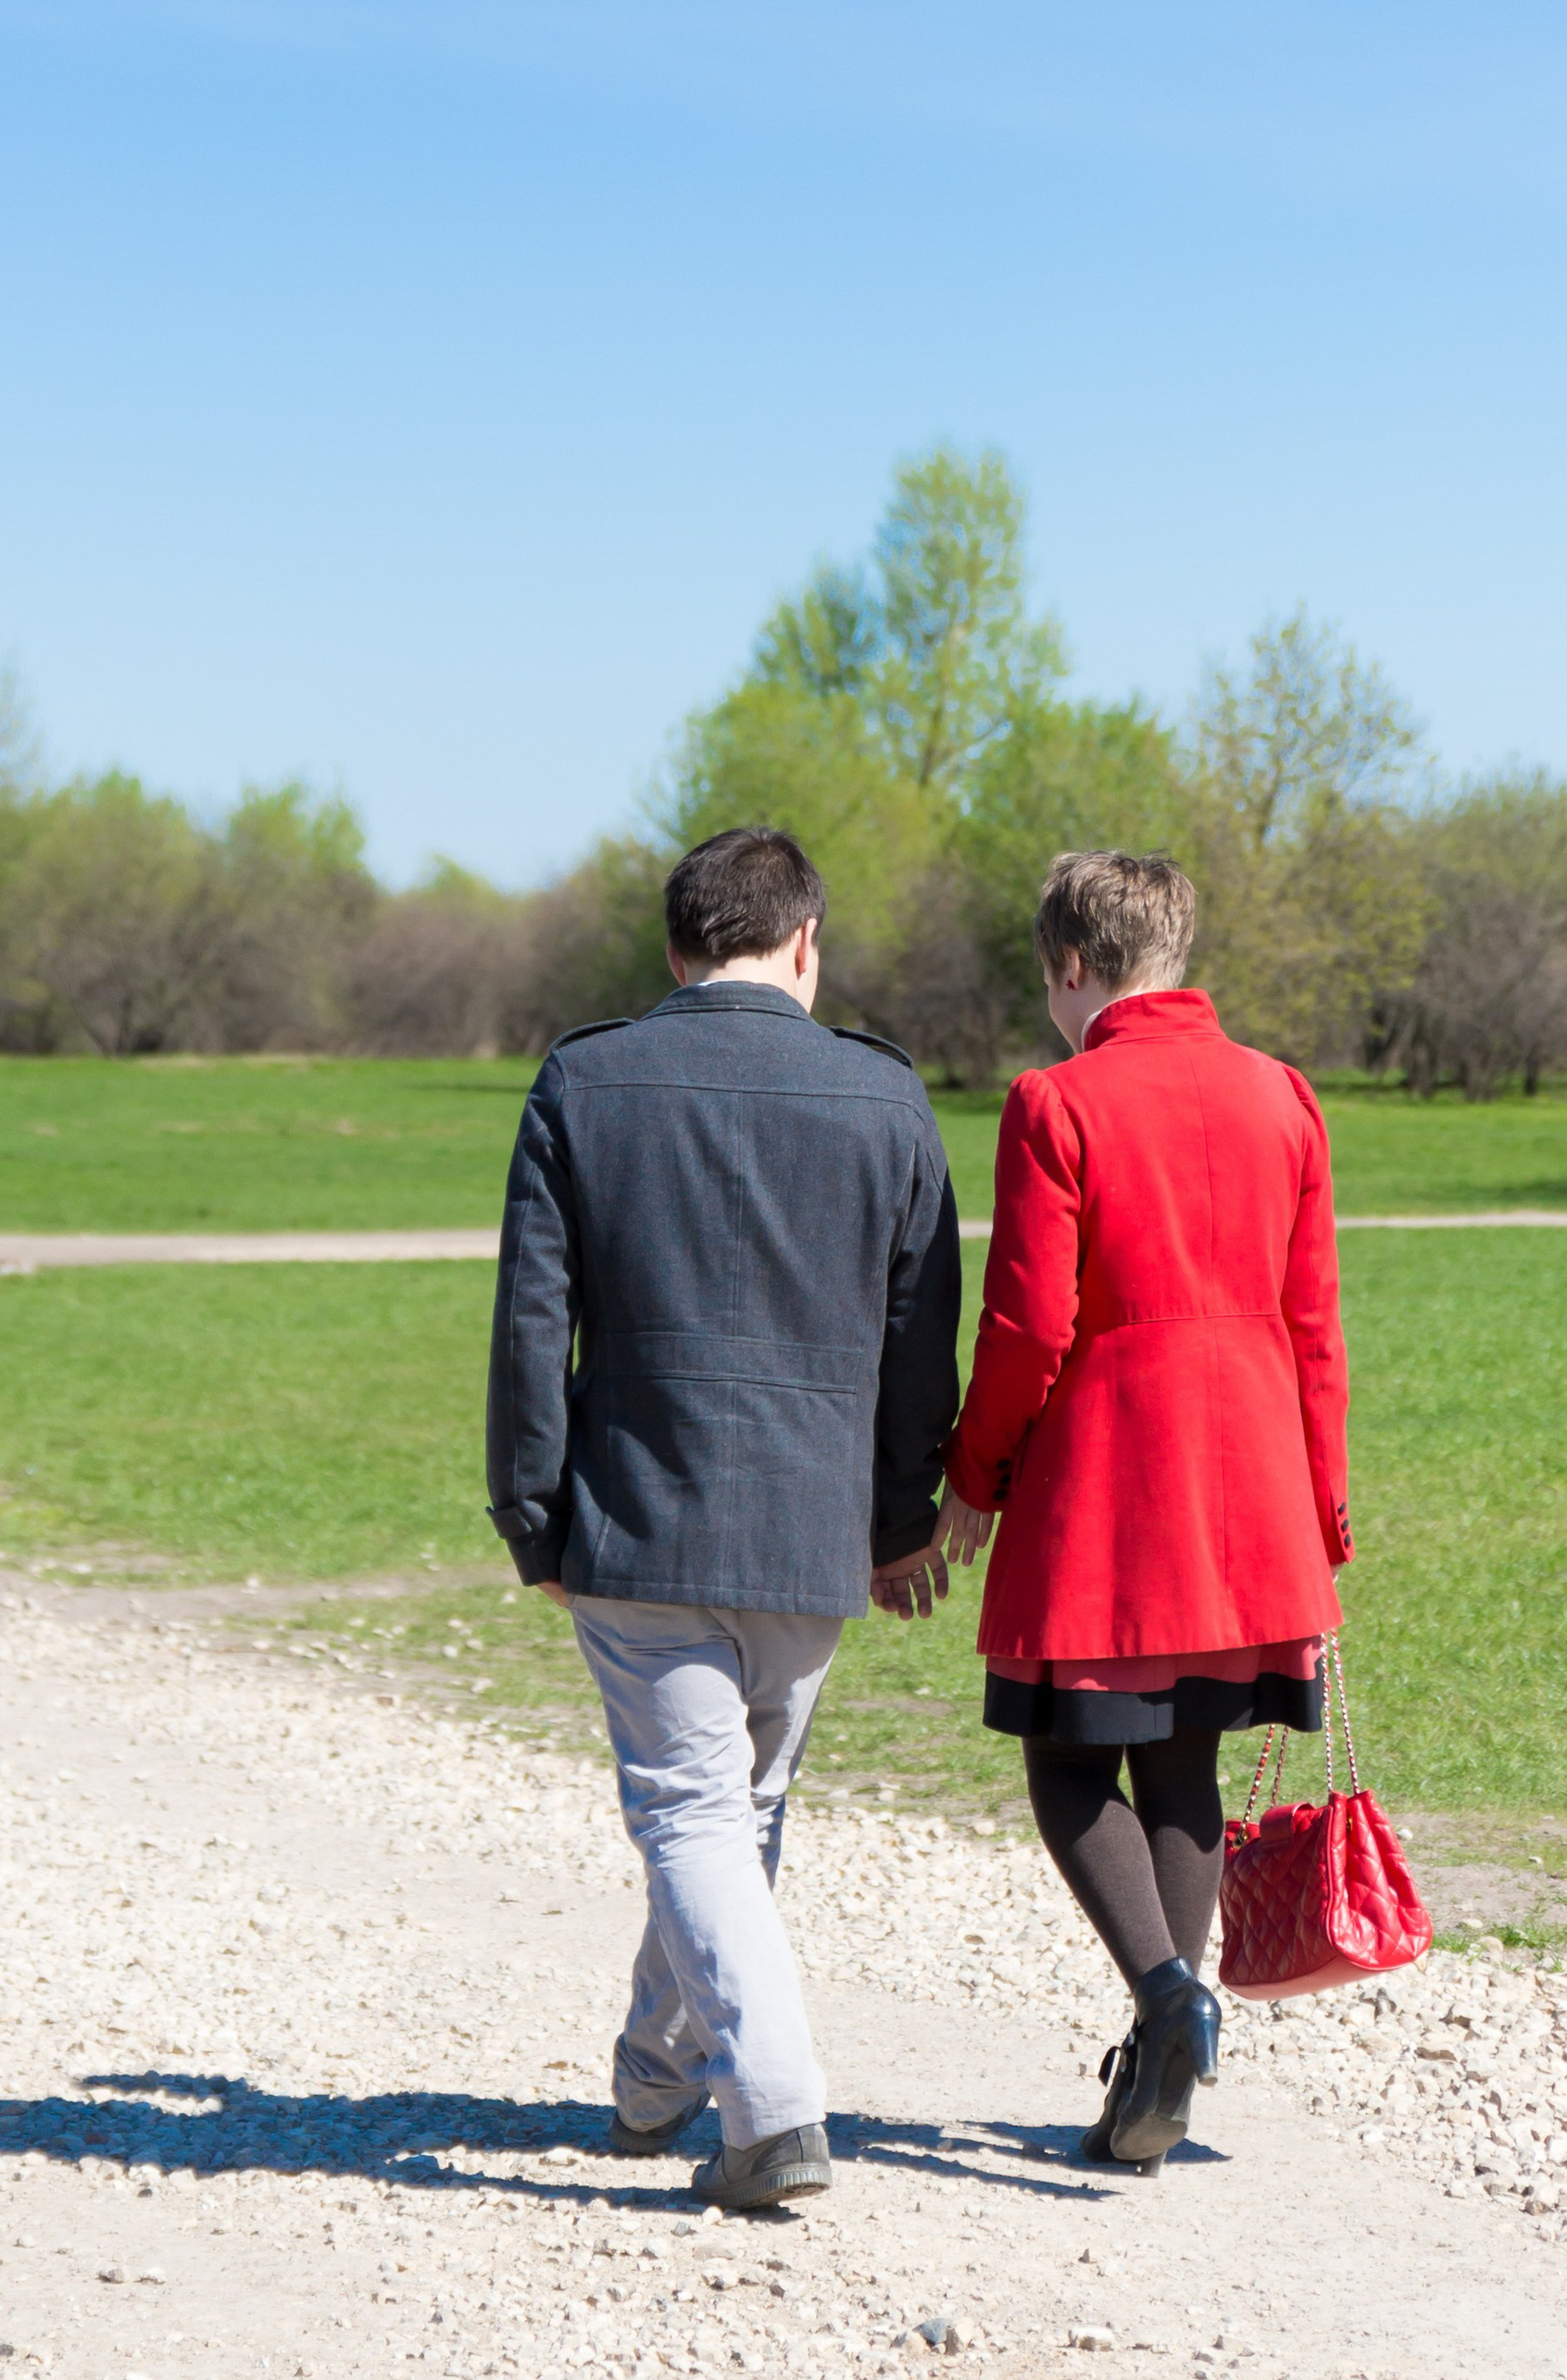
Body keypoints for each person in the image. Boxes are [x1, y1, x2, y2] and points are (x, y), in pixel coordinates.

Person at [485, 825, 961, 2212]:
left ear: (676, 950)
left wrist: (534, 1510)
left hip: (640, 1511)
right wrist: (895, 1518)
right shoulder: (887, 1098)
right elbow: (917, 1338)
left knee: (697, 1815)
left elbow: (532, 1317)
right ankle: (653, 2077)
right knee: (727, 1816)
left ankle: (773, 2117)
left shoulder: (586, 1075)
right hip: (811, 1531)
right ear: (805, 944)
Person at [935, 849, 1352, 2175]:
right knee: (1185, 1764)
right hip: (1255, 1493)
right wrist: (1324, 1518)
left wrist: (971, 1478)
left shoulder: (1055, 1098)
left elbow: (1025, 1326)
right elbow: (1317, 1331)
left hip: (1112, 1485)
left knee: (1065, 1760)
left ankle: (1170, 1999)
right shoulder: (1284, 1096)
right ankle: (1157, 2067)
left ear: (1073, 966)